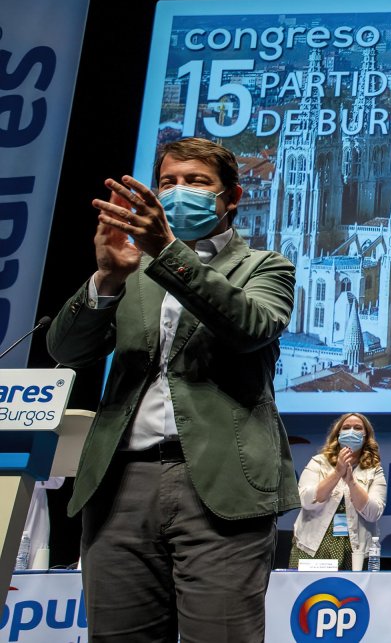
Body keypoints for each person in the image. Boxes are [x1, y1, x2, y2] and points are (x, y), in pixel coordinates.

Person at [46, 137, 299, 642]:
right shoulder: (132, 269)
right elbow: (67, 352)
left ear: (232, 197)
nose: (179, 192)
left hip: (220, 483)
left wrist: (167, 252)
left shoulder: (266, 267)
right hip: (121, 484)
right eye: (169, 183)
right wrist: (106, 279)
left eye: (197, 182)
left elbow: (250, 327)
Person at [291, 412, 387, 569]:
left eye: (357, 428)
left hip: (356, 548)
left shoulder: (374, 470)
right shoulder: (318, 462)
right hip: (313, 545)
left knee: (349, 593)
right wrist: (337, 473)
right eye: (346, 427)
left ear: (365, 436)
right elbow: (306, 501)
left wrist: (351, 482)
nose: (351, 432)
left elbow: (373, 513)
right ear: (338, 434)